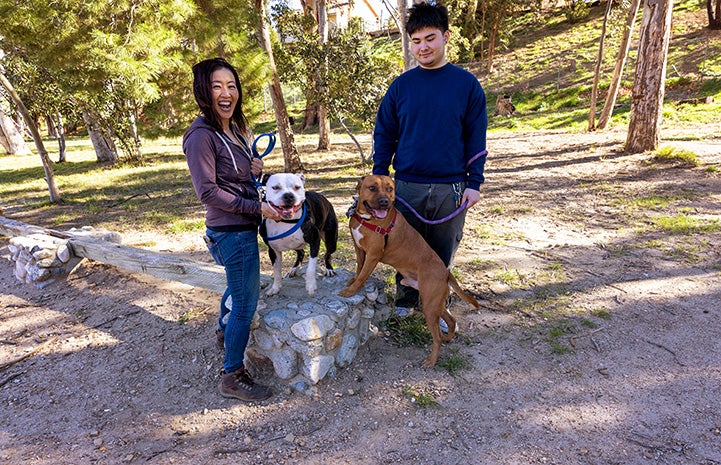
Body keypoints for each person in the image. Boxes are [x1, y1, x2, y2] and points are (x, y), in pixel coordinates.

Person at [372, 2, 487, 324]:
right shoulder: (401, 87)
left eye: (430, 38)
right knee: (401, 247)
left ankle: (435, 305)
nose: (423, 47)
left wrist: (474, 183)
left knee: (440, 253)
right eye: (417, 40)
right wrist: (381, 176)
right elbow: (384, 134)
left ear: (446, 36)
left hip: (451, 187)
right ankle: (405, 302)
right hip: (406, 185)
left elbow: (476, 138)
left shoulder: (466, 85)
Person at [183, 57, 281, 402]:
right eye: (216, 86)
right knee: (245, 303)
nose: (227, 93)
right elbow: (207, 191)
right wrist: (259, 207)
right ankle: (232, 375)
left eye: (231, 85)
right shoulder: (200, 136)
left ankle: (226, 333)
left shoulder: (233, 130)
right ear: (203, 91)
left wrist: (253, 167)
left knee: (238, 288)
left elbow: (235, 176)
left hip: (241, 227)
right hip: (231, 232)